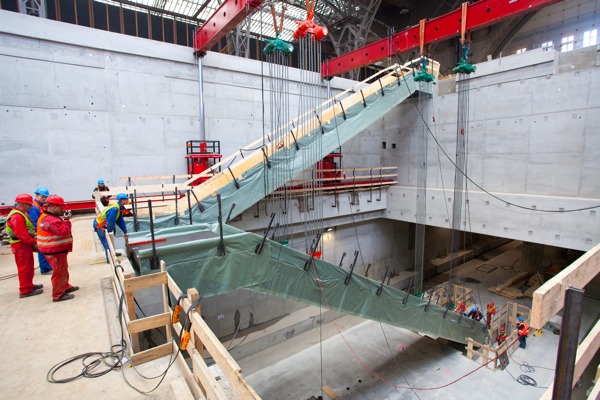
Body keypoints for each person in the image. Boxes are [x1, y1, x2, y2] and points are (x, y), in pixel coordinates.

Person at [37, 195, 79, 302]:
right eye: (60, 207)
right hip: (54, 251)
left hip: (56, 250)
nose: (61, 210)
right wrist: (66, 220)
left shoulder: (46, 217)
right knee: (59, 272)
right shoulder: (50, 220)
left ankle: (65, 286)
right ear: (54, 207)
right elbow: (63, 231)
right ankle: (58, 294)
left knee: (63, 269)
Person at [6, 194, 43, 298]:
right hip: (21, 245)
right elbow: (22, 235)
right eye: (28, 205)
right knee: (24, 268)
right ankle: (25, 290)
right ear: (22, 204)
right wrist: (34, 243)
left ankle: (29, 285)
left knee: (29, 266)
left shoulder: (22, 213)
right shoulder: (16, 217)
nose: (30, 207)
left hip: (24, 245)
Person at [93, 193, 129, 262]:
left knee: (110, 240)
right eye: (126, 199)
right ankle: (110, 259)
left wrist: (125, 231)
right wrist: (109, 231)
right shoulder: (115, 209)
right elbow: (110, 221)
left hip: (103, 224)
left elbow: (120, 221)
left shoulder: (118, 208)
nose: (127, 201)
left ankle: (112, 254)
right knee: (106, 242)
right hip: (100, 225)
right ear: (122, 200)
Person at [28, 186, 53, 275]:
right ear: (37, 195)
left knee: (45, 249)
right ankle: (45, 269)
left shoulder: (40, 206)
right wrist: (37, 233)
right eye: (43, 197)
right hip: (39, 232)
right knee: (42, 250)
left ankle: (47, 266)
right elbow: (34, 222)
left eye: (45, 197)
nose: (44, 199)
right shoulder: (34, 207)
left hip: (42, 231)